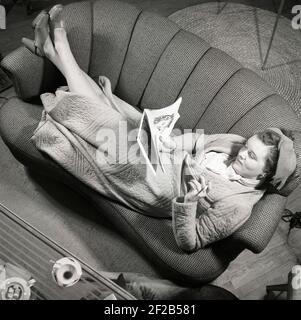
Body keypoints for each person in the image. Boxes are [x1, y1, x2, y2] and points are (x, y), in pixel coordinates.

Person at [22, 5, 297, 253]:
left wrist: (188, 202)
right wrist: (171, 142)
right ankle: (54, 51)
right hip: (161, 154)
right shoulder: (236, 143)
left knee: (113, 123)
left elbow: (191, 242)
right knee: (114, 115)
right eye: (248, 146)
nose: (242, 151)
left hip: (156, 186)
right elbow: (197, 140)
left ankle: (58, 47)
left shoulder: (237, 207)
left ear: (263, 174)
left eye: (251, 156)